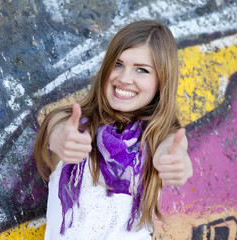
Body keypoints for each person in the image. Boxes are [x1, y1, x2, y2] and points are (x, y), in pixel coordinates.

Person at [34, 20, 193, 240]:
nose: (125, 78)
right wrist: (61, 139)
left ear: (161, 82)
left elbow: (173, 150)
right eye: (118, 64)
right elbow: (59, 132)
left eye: (142, 70)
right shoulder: (69, 122)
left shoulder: (160, 135)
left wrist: (176, 162)